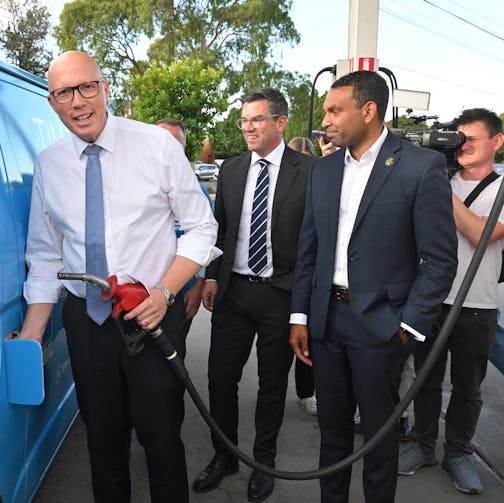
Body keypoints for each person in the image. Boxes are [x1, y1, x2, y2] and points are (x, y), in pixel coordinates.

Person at [19, 51, 219, 503]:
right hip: (87, 323)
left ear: (105, 88)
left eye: (86, 87)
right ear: (52, 102)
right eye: (64, 93)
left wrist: (166, 291)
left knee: (161, 439)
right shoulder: (49, 165)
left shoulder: (156, 145)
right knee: (102, 443)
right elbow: (46, 254)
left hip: (150, 316)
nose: (78, 101)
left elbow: (202, 226)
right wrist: (31, 334)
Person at [290, 70, 458, 503]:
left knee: (379, 442)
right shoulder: (324, 170)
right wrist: (300, 315)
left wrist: (407, 328)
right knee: (332, 434)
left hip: (383, 328)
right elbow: (309, 250)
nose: (325, 120)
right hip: (326, 324)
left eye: (334, 110)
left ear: (368, 111)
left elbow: (439, 261)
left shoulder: (421, 167)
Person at [193, 88, 315, 502]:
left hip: (280, 296)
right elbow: (221, 229)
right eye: (243, 119)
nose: (247, 127)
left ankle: (264, 461)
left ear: (280, 122)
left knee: (270, 385)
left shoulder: (311, 170)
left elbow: (314, 242)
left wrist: (302, 309)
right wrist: (211, 276)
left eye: (256, 119)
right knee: (219, 378)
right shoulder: (231, 169)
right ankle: (224, 455)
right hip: (234, 293)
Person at [399, 108, 504, 495]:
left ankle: (458, 452)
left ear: (497, 142)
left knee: (468, 386)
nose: (463, 145)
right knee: (425, 380)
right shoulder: (439, 178)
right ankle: (423, 445)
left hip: (477, 304)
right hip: (430, 300)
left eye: (472, 138)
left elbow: (479, 233)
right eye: (459, 138)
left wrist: (437, 183)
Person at [156, 118, 214, 335]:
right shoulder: (133, 189)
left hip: (182, 291)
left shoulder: (197, 192)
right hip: (141, 290)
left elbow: (206, 239)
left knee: (173, 356)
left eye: (175, 146)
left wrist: (198, 285)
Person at [287, 136, 319, 416]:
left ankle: (306, 391)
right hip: (285, 274)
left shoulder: (316, 181)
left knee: (305, 336)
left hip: (307, 273)